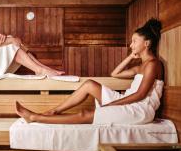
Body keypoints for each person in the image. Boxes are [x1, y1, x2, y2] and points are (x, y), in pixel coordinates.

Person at [16, 18, 164, 125]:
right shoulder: (141, 66)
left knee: (85, 114)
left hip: (139, 109)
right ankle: (54, 111)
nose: (131, 45)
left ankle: (35, 118)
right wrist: (131, 57)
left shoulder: (153, 64)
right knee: (89, 85)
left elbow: (141, 95)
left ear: (147, 43)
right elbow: (115, 74)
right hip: (128, 101)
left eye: (134, 41)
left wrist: (112, 105)